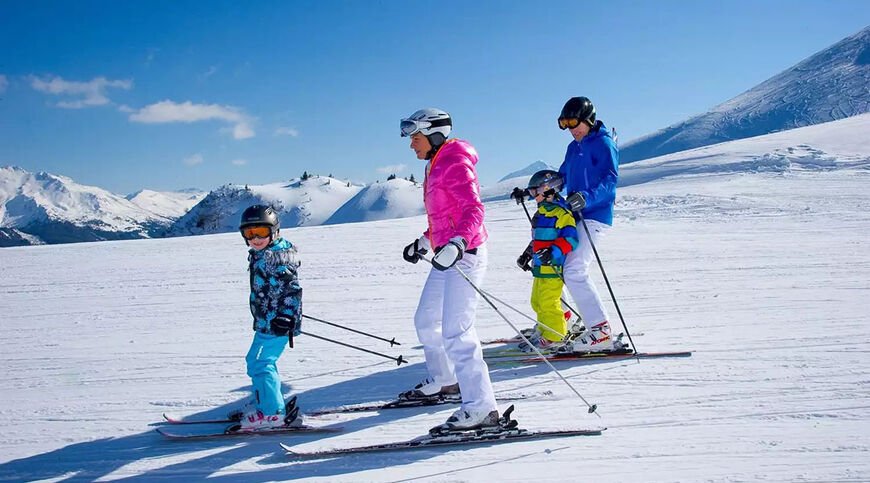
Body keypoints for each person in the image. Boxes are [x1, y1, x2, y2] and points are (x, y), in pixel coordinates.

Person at [399, 108, 499, 432]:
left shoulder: (453, 159)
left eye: (415, 138)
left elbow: (474, 209)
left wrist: (457, 244)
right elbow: (445, 217)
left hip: (465, 254)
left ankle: (481, 407)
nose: (412, 145)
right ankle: (444, 379)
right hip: (448, 254)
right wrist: (425, 243)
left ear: (432, 134)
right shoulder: (434, 163)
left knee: (457, 331)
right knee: (427, 320)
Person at [555, 96, 619, 353]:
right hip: (574, 215)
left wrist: (587, 198)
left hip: (595, 215)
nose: (573, 130)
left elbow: (610, 180)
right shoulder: (573, 147)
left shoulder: (603, 144)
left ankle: (601, 330)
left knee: (575, 270)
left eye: (576, 124)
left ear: (589, 119)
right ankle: (567, 321)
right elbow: (561, 176)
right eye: (568, 126)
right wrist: (537, 187)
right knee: (557, 265)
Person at [233, 204, 303, 431]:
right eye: (249, 233)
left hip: (277, 323)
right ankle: (266, 400)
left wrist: (286, 316)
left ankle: (272, 413)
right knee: (256, 361)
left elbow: (292, 290)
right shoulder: (262, 254)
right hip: (267, 320)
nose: (255, 239)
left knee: (261, 363)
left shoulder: (278, 259)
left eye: (261, 232)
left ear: (274, 231)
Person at [515, 170, 579, 352]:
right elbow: (538, 239)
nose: (532, 196)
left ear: (549, 189)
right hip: (540, 268)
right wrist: (527, 254)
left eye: (536, 192)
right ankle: (545, 331)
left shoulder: (561, 213)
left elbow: (571, 239)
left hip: (552, 267)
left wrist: (553, 252)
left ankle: (555, 337)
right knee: (537, 301)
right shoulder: (543, 213)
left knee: (548, 303)